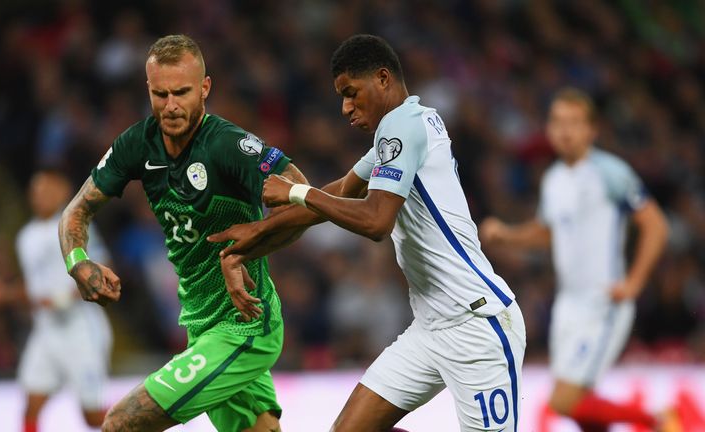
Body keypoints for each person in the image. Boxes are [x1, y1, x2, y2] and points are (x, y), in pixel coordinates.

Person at [210, 34, 526, 432]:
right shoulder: (399, 130)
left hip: (478, 325)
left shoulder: (401, 126)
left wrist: (295, 190)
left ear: (382, 78)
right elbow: (339, 193)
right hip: (430, 329)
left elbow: (376, 221)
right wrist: (257, 234)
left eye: (350, 93)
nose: (345, 107)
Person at [58, 34, 308, 432]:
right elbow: (75, 212)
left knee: (120, 424)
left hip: (242, 326)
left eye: (182, 92)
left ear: (205, 88)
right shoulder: (137, 144)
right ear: (148, 90)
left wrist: (245, 246)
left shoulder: (227, 144)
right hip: (201, 324)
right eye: (161, 94)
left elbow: (302, 199)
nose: (171, 105)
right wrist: (78, 262)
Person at [478, 88, 675, 431]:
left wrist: (634, 283)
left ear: (591, 130)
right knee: (582, 406)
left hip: (602, 301)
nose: (565, 131)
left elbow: (656, 225)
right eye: (557, 122)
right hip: (568, 304)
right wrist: (507, 234)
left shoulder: (610, 172)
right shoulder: (554, 179)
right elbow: (548, 233)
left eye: (574, 123)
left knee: (564, 401)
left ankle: (658, 421)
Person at [16, 169, 112, 432]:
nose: (40, 196)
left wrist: (62, 299)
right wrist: (5, 295)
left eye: (47, 190)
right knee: (31, 404)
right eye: (35, 191)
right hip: (46, 332)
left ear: (62, 192)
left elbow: (102, 266)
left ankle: (139, 423)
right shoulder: (25, 237)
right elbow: (34, 286)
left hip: (81, 330)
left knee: (92, 417)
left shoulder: (75, 224)